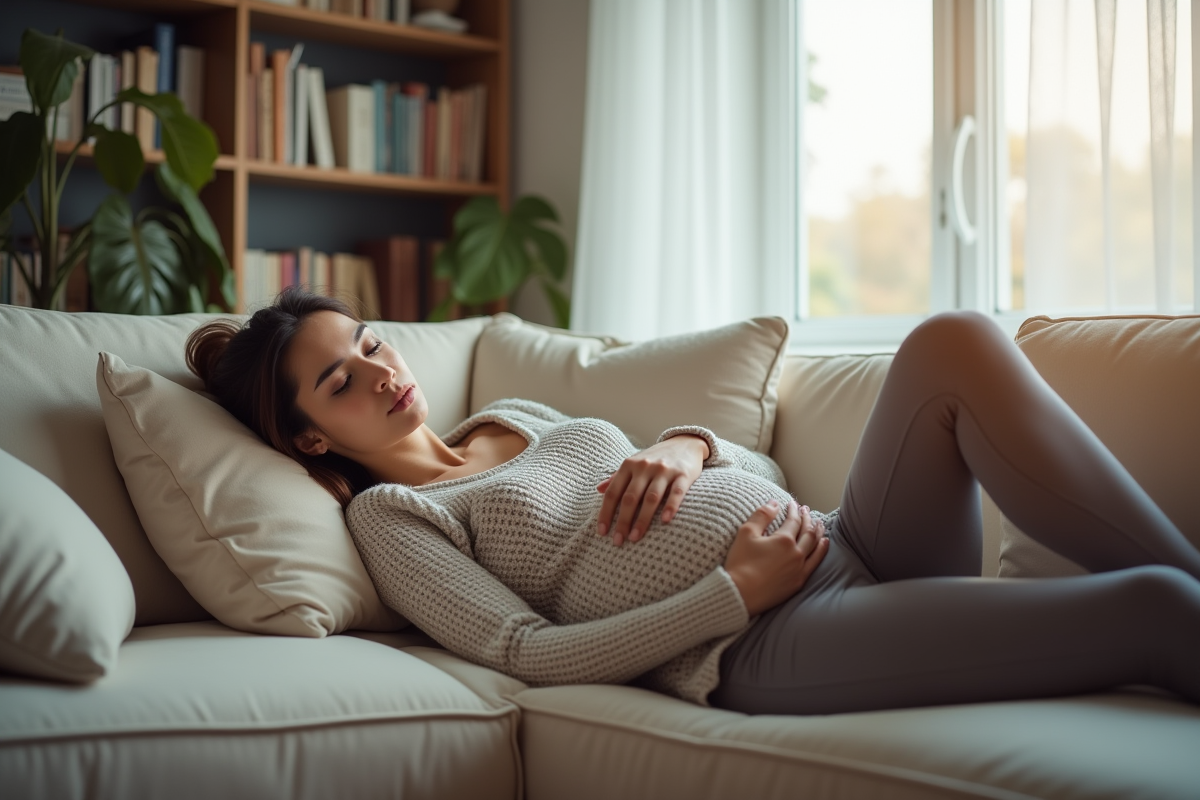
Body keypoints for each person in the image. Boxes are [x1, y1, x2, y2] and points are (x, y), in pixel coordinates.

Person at [186, 287, 1200, 715]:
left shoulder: (514, 415)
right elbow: (523, 654)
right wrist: (735, 592)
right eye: (337, 382)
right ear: (315, 436)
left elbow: (753, 476)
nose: (377, 371)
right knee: (1153, 607)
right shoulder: (391, 518)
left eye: (366, 342)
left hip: (837, 537)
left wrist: (687, 443)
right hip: (773, 636)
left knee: (954, 339)